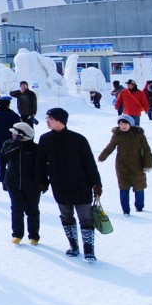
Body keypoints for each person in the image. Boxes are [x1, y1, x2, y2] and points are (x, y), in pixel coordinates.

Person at [36, 108, 102, 262]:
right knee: (66, 216)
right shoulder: (45, 139)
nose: (47, 121)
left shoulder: (78, 139)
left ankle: (89, 250)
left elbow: (89, 163)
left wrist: (96, 183)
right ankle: (73, 246)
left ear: (60, 120)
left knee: (85, 218)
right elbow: (41, 163)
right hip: (60, 185)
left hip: (81, 185)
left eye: (50, 118)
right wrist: (42, 182)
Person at [98, 115, 152, 215]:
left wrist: (148, 164)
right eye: (121, 124)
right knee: (123, 188)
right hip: (122, 166)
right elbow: (110, 147)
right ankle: (125, 210)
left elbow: (147, 150)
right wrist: (102, 157)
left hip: (138, 165)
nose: (123, 126)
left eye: (125, 124)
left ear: (130, 124)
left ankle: (139, 206)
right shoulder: (117, 135)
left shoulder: (138, 134)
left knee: (139, 187)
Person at [0, 122, 41, 244]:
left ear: (23, 135)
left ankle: (34, 236)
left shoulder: (35, 148)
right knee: (17, 208)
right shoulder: (9, 144)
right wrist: (16, 142)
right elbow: (5, 155)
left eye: (15, 133)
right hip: (13, 183)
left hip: (32, 185)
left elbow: (42, 167)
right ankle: (17, 234)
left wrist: (43, 182)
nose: (12, 134)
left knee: (32, 210)